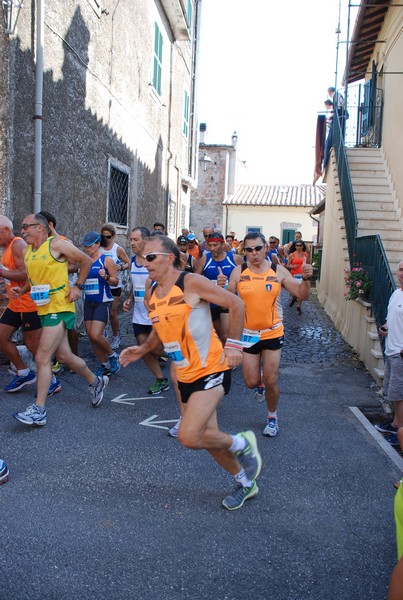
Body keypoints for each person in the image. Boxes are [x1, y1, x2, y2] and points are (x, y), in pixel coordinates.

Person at [120, 234, 263, 511]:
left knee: (188, 435)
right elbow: (159, 330)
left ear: (169, 258)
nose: (144, 262)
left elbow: (236, 304)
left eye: (150, 257)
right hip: (184, 375)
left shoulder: (190, 282)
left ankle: (242, 442)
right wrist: (142, 349)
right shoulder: (151, 291)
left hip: (211, 368)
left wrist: (233, 346)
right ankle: (246, 483)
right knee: (206, 440)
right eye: (142, 257)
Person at [11, 213, 109, 426]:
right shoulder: (29, 251)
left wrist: (77, 286)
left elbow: (86, 261)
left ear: (40, 227)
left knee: (42, 357)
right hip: (44, 308)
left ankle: (39, 410)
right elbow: (32, 279)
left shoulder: (56, 244)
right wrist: (23, 289)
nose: (22, 230)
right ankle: (96, 381)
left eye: (26, 226)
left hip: (60, 306)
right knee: (64, 356)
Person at [228, 231, 313, 437]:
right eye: (249, 249)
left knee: (272, 378)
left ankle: (272, 416)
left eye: (258, 248)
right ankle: (260, 385)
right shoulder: (238, 272)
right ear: (244, 251)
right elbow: (229, 299)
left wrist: (307, 279)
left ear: (266, 247)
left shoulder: (278, 271)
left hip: (272, 332)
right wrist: (222, 286)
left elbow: (302, 295)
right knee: (250, 381)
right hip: (248, 334)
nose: (254, 253)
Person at [0, 215, 44, 392]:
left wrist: (2, 273)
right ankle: (24, 372)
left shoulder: (17, 245)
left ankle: (52, 379)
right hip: (14, 303)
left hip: (28, 304)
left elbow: (26, 276)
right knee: (1, 338)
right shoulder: (7, 247)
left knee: (33, 346)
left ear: (6, 230)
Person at [122, 226, 169, 395]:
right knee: (144, 349)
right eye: (131, 240)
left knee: (157, 350)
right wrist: (130, 298)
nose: (132, 243)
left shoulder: (155, 259)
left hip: (157, 314)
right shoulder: (133, 261)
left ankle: (182, 357)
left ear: (146, 240)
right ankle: (160, 379)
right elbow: (136, 285)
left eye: (136, 239)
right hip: (139, 315)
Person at [81, 231, 121, 377]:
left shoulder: (106, 260)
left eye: (89, 245)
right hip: (88, 301)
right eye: (84, 246)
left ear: (98, 244)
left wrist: (106, 276)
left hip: (102, 301)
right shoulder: (84, 260)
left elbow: (115, 281)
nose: (86, 248)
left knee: (95, 334)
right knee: (91, 337)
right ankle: (104, 364)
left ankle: (112, 355)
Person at [194, 232, 243, 343]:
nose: (212, 248)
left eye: (215, 245)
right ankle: (219, 358)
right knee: (216, 337)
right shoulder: (204, 260)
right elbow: (195, 282)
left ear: (222, 245)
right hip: (211, 303)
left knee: (226, 336)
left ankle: (226, 358)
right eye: (209, 245)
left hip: (228, 302)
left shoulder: (235, 259)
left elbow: (245, 280)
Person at [377, 261, 403, 449]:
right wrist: (386, 327)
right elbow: (391, 319)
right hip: (391, 349)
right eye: (401, 269)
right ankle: (395, 424)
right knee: (393, 393)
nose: (402, 273)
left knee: (399, 394)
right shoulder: (396, 293)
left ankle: (400, 430)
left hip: (401, 353)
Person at [101, 223, 130, 350]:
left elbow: (128, 262)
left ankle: (116, 336)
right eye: (103, 237)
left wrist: (121, 267)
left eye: (108, 237)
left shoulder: (117, 249)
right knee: (102, 312)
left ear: (113, 236)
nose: (105, 239)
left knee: (112, 312)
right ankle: (103, 333)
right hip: (102, 284)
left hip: (114, 285)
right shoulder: (98, 248)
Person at [287, 240, 309, 315]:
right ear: (295, 246)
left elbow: (309, 263)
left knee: (301, 292)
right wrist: (293, 266)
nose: (299, 247)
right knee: (293, 293)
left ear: (303, 246)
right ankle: (294, 297)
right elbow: (287, 265)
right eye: (297, 245)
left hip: (302, 275)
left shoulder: (305, 254)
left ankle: (298, 306)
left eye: (300, 245)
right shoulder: (292, 255)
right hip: (294, 275)